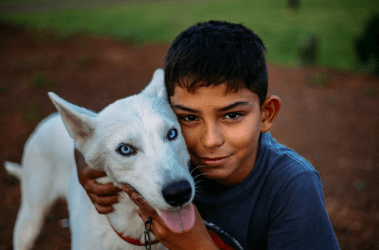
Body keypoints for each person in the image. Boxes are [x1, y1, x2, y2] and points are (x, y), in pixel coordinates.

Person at [75, 20, 340, 249]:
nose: (211, 141)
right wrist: (87, 168)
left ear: (266, 115)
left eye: (232, 115)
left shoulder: (293, 186)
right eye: (189, 118)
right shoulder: (171, 171)